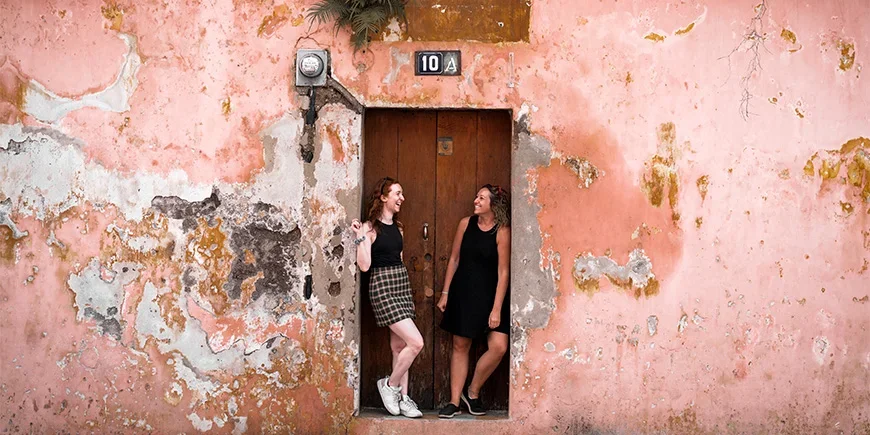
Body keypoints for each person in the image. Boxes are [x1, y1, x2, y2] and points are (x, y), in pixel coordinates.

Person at [351, 177, 423, 418]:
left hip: (400, 282)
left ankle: (403, 399)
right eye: (397, 194)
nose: (401, 198)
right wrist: (361, 237)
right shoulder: (369, 228)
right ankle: (390, 385)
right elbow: (364, 265)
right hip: (381, 285)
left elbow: (399, 258)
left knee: (399, 346)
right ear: (383, 197)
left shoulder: (399, 227)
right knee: (416, 342)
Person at [437, 184, 511, 418]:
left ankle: (472, 392)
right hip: (464, 292)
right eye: (476, 196)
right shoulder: (465, 224)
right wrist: (445, 293)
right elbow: (454, 258)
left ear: (493, 204)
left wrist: (497, 308)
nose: (476, 201)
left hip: (491, 295)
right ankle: (453, 401)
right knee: (461, 346)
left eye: (481, 198)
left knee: (498, 347)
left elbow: (504, 272)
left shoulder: (502, 231)